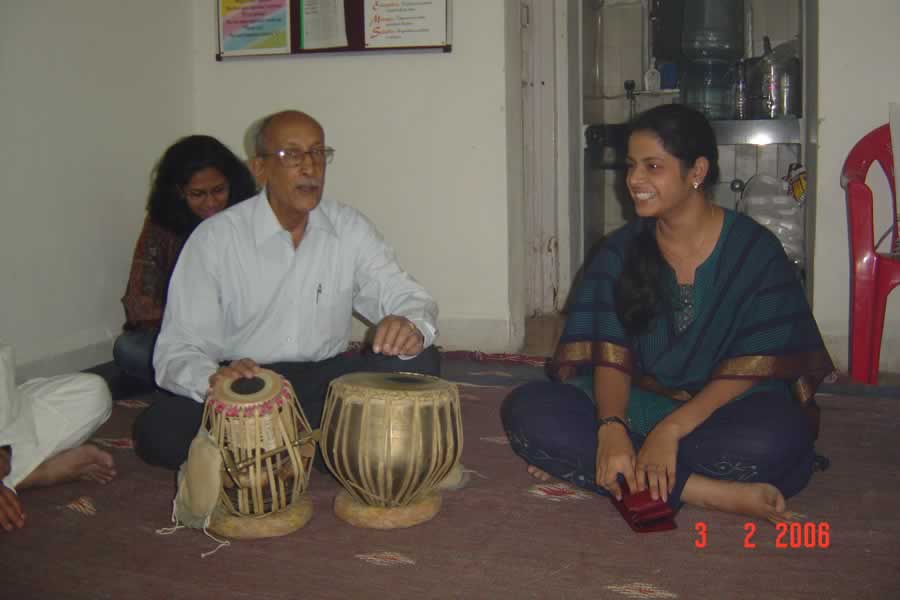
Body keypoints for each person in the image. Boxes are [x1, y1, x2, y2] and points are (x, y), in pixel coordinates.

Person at [501, 104, 833, 523]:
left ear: (696, 171)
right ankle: (706, 492)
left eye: (652, 166)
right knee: (528, 408)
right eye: (631, 166)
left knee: (779, 438)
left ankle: (603, 468)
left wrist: (670, 432)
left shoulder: (755, 251)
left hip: (725, 408)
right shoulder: (619, 252)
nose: (634, 181)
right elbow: (610, 356)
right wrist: (612, 427)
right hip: (641, 403)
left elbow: (753, 367)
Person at [134, 110, 440, 470]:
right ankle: (334, 447)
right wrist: (215, 379)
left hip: (327, 385)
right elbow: (177, 349)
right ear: (259, 169)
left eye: (317, 153)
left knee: (419, 360)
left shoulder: (349, 227)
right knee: (159, 431)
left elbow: (408, 296)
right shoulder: (215, 239)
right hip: (249, 387)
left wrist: (409, 325)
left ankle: (269, 451)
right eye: (292, 155)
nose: (309, 167)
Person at [113, 135, 258, 384]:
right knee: (128, 348)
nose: (211, 202)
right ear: (179, 192)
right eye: (198, 194)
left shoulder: (250, 217)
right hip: (187, 338)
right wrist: (191, 327)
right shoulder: (162, 226)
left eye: (219, 190)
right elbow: (140, 302)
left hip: (243, 337)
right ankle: (214, 379)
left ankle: (220, 379)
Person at [1, 340, 115, 532]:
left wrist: (3, 451)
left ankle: (14, 477)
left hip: (10, 418)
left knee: (92, 393)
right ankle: (37, 474)